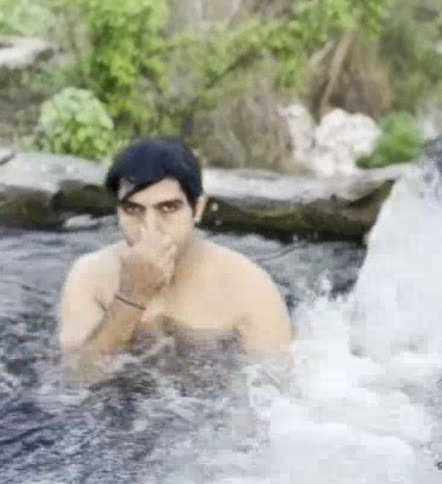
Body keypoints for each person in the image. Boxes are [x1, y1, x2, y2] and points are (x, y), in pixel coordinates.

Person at [57, 136, 293, 367]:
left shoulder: (247, 286)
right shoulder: (90, 277)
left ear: (198, 208)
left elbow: (277, 393)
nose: (150, 228)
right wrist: (131, 296)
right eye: (133, 209)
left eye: (168, 208)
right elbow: (78, 382)